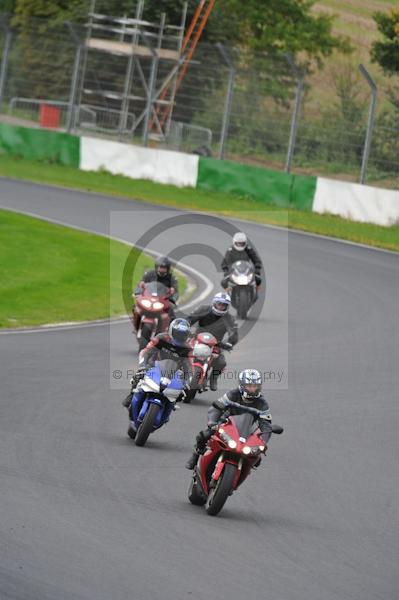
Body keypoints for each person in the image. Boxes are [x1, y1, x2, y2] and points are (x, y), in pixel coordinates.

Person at [185, 369, 272, 470]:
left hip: (247, 431)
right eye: (249, 386)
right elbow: (216, 407)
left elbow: (266, 425)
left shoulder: (262, 404)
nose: (253, 389)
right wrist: (212, 422)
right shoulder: (233, 394)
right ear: (242, 385)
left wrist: (263, 441)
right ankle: (196, 455)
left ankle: (242, 472)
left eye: (255, 386)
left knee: (257, 457)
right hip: (226, 424)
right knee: (205, 434)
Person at [122, 318, 192, 410]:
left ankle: (170, 404)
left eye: (183, 335)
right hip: (153, 365)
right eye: (178, 333)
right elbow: (146, 351)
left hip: (173, 373)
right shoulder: (161, 338)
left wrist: (187, 380)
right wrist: (143, 365)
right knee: (138, 377)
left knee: (181, 393)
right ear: (171, 331)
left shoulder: (187, 348)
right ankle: (131, 396)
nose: (179, 337)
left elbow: (189, 366)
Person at [187, 292, 238, 391]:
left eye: (224, 305)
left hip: (215, 344)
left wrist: (230, 343)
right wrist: (184, 327)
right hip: (196, 339)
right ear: (214, 303)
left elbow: (234, 332)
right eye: (219, 304)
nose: (221, 307)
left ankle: (213, 378)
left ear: (227, 306)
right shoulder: (203, 309)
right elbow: (189, 319)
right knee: (181, 352)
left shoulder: (229, 318)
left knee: (221, 362)